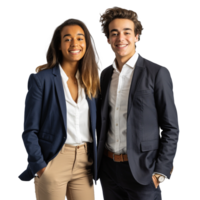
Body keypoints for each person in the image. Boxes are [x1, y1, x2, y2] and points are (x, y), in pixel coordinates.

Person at [96, 7, 179, 200]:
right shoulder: (105, 76)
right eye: (114, 33)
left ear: (136, 36)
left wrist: (161, 171)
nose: (120, 38)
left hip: (143, 172)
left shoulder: (157, 73)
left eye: (126, 32)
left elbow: (171, 127)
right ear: (107, 39)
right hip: (108, 172)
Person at [17, 17, 102, 200]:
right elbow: (29, 130)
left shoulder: (92, 81)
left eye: (80, 38)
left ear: (86, 44)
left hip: (85, 163)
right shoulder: (41, 79)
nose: (74, 43)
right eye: (67, 38)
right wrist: (40, 167)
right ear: (58, 45)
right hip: (53, 160)